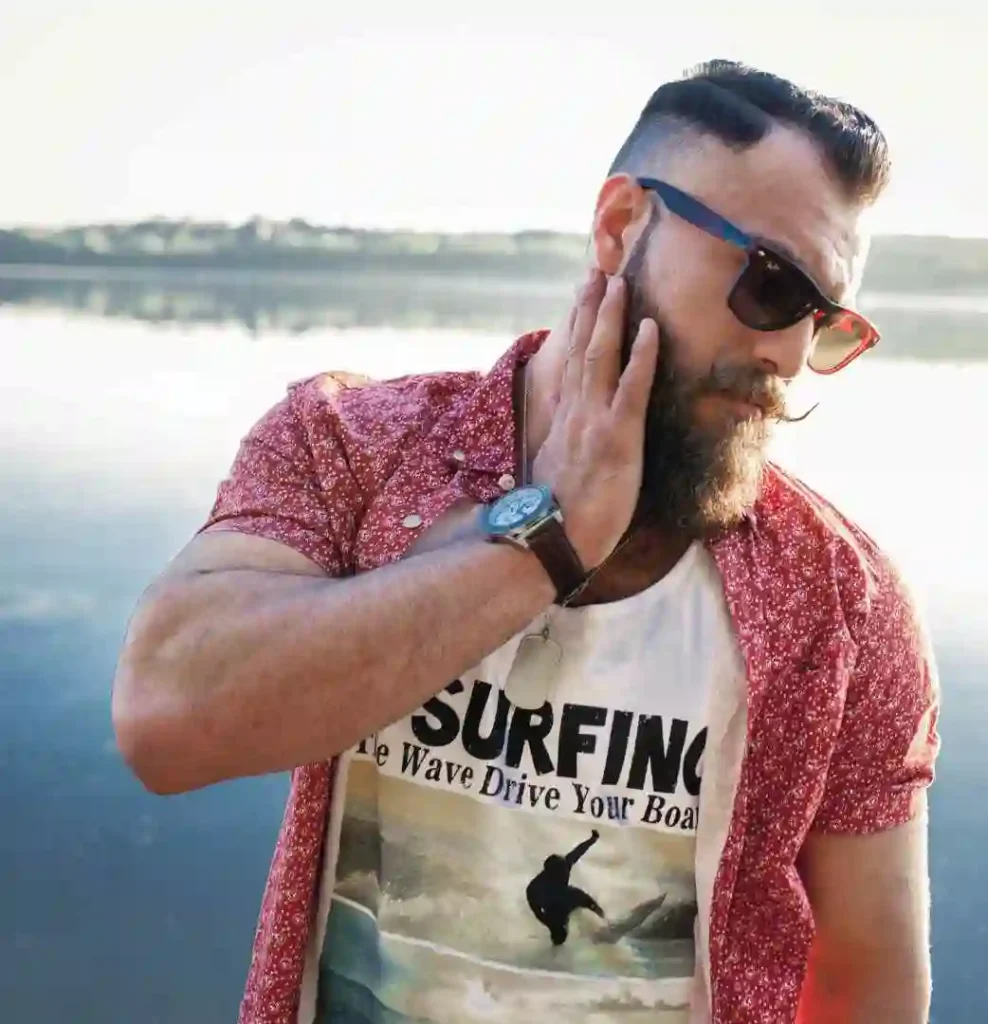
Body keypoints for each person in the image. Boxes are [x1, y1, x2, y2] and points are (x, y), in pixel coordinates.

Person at [112, 60, 940, 1024]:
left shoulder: (842, 601)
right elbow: (168, 718)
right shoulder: (356, 449)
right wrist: (544, 542)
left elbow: (865, 981)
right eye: (768, 284)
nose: (789, 357)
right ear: (622, 224)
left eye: (823, 320)